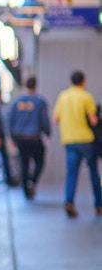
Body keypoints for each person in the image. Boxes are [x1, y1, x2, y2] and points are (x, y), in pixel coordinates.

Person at [52, 70, 101, 218]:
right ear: (83, 82)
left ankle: (69, 202)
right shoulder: (86, 97)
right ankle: (99, 204)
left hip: (69, 140)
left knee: (72, 173)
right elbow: (93, 120)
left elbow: (56, 119)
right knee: (93, 172)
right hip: (86, 140)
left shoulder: (63, 96)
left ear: (70, 82)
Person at [8, 76, 50, 200]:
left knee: (24, 163)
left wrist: (12, 137)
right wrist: (47, 133)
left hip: (20, 138)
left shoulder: (17, 102)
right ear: (35, 86)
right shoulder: (39, 102)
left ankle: (26, 189)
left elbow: (11, 120)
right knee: (40, 161)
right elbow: (44, 120)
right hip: (35, 137)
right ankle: (32, 181)